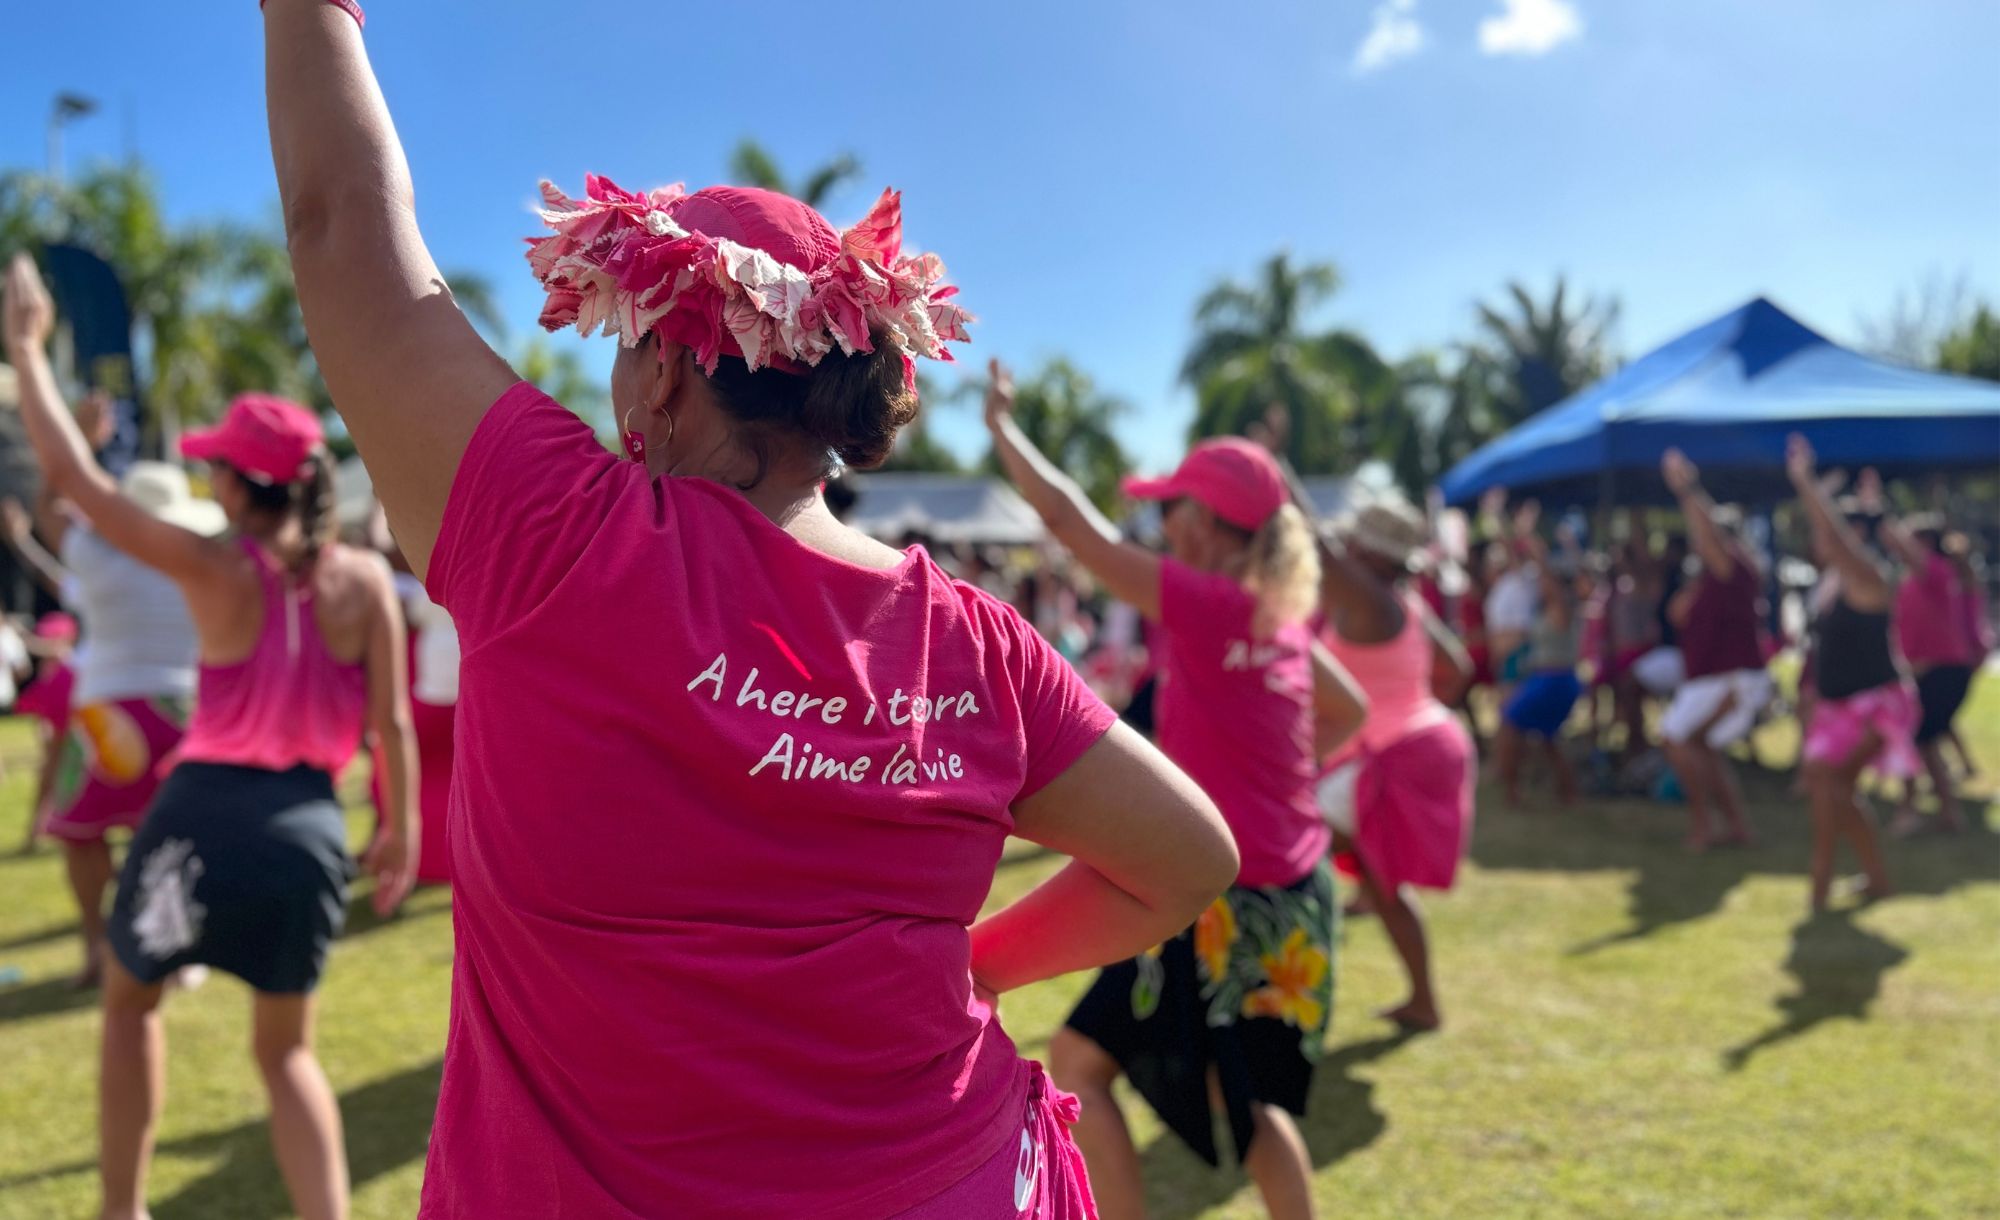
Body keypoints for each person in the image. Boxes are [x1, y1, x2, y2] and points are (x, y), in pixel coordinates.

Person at [259, 5, 1240, 1215]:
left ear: (665, 371)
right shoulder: (979, 642)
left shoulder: (554, 539)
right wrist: (975, 967)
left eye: (624, 338)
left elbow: (344, 229)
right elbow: (1187, 857)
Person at [6, 253, 419, 1220]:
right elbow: (391, 725)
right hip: (311, 826)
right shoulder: (367, 586)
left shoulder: (209, 565)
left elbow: (69, 474)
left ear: (236, 489)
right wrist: (396, 831)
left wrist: (26, 345)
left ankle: (121, 1210)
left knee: (127, 1005)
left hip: (199, 815)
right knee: (287, 1057)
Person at [988, 372, 1365, 1220]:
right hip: (1292, 892)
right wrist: (1276, 782)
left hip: (1226, 904)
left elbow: (1068, 525)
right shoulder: (1281, 611)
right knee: (1248, 1104)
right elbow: (1350, 708)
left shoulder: (1207, 603)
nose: (1162, 527)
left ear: (1203, 523)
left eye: (1172, 511)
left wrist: (1003, 429)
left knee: (1086, 1061)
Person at [1308, 493, 1475, 1033]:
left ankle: (1277, 1005)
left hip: (1398, 755)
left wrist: (1271, 463)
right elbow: (1457, 667)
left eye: (1354, 540)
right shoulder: (1403, 603)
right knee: (1382, 887)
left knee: (1287, 855)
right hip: (1420, 744)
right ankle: (1424, 1003)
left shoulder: (1371, 598)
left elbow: (1316, 546)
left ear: (1371, 553)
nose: (1345, 545)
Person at [1787, 435, 1901, 911]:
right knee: (1826, 786)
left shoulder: (1870, 577)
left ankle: (1821, 876)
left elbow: (1832, 535)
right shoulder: (1834, 581)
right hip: (1836, 707)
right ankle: (1871, 877)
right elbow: (1827, 536)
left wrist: (1807, 484)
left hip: (1877, 707)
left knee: (1834, 788)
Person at [1658, 449, 1774, 851]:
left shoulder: (1733, 567)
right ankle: (1735, 826)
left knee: (1678, 740)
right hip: (1713, 675)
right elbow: (1677, 615)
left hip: (1728, 675)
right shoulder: (1712, 577)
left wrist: (1687, 489)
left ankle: (1705, 826)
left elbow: (1707, 535)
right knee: (1699, 746)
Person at [1874, 490, 1973, 835]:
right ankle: (1948, 812)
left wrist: (1880, 510)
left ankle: (1909, 811)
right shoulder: (1913, 578)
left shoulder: (1935, 571)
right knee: (1925, 741)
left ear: (1926, 542)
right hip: (1927, 671)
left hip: (1942, 671)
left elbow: (1903, 548)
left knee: (1913, 737)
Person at [1493, 503, 1582, 806]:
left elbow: (1544, 571)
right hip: (1550, 678)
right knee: (1548, 740)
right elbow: (1520, 564)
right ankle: (1567, 793)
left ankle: (1512, 792)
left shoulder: (1561, 606)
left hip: (1553, 679)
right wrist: (1513, 529)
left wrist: (1533, 540)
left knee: (1508, 725)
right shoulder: (1546, 606)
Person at [13, 612, 79, 855]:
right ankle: (36, 833)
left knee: (56, 779)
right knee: (49, 779)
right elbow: (44, 704)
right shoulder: (51, 667)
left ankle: (43, 833)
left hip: (75, 729)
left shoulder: (68, 660)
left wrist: (23, 636)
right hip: (61, 730)